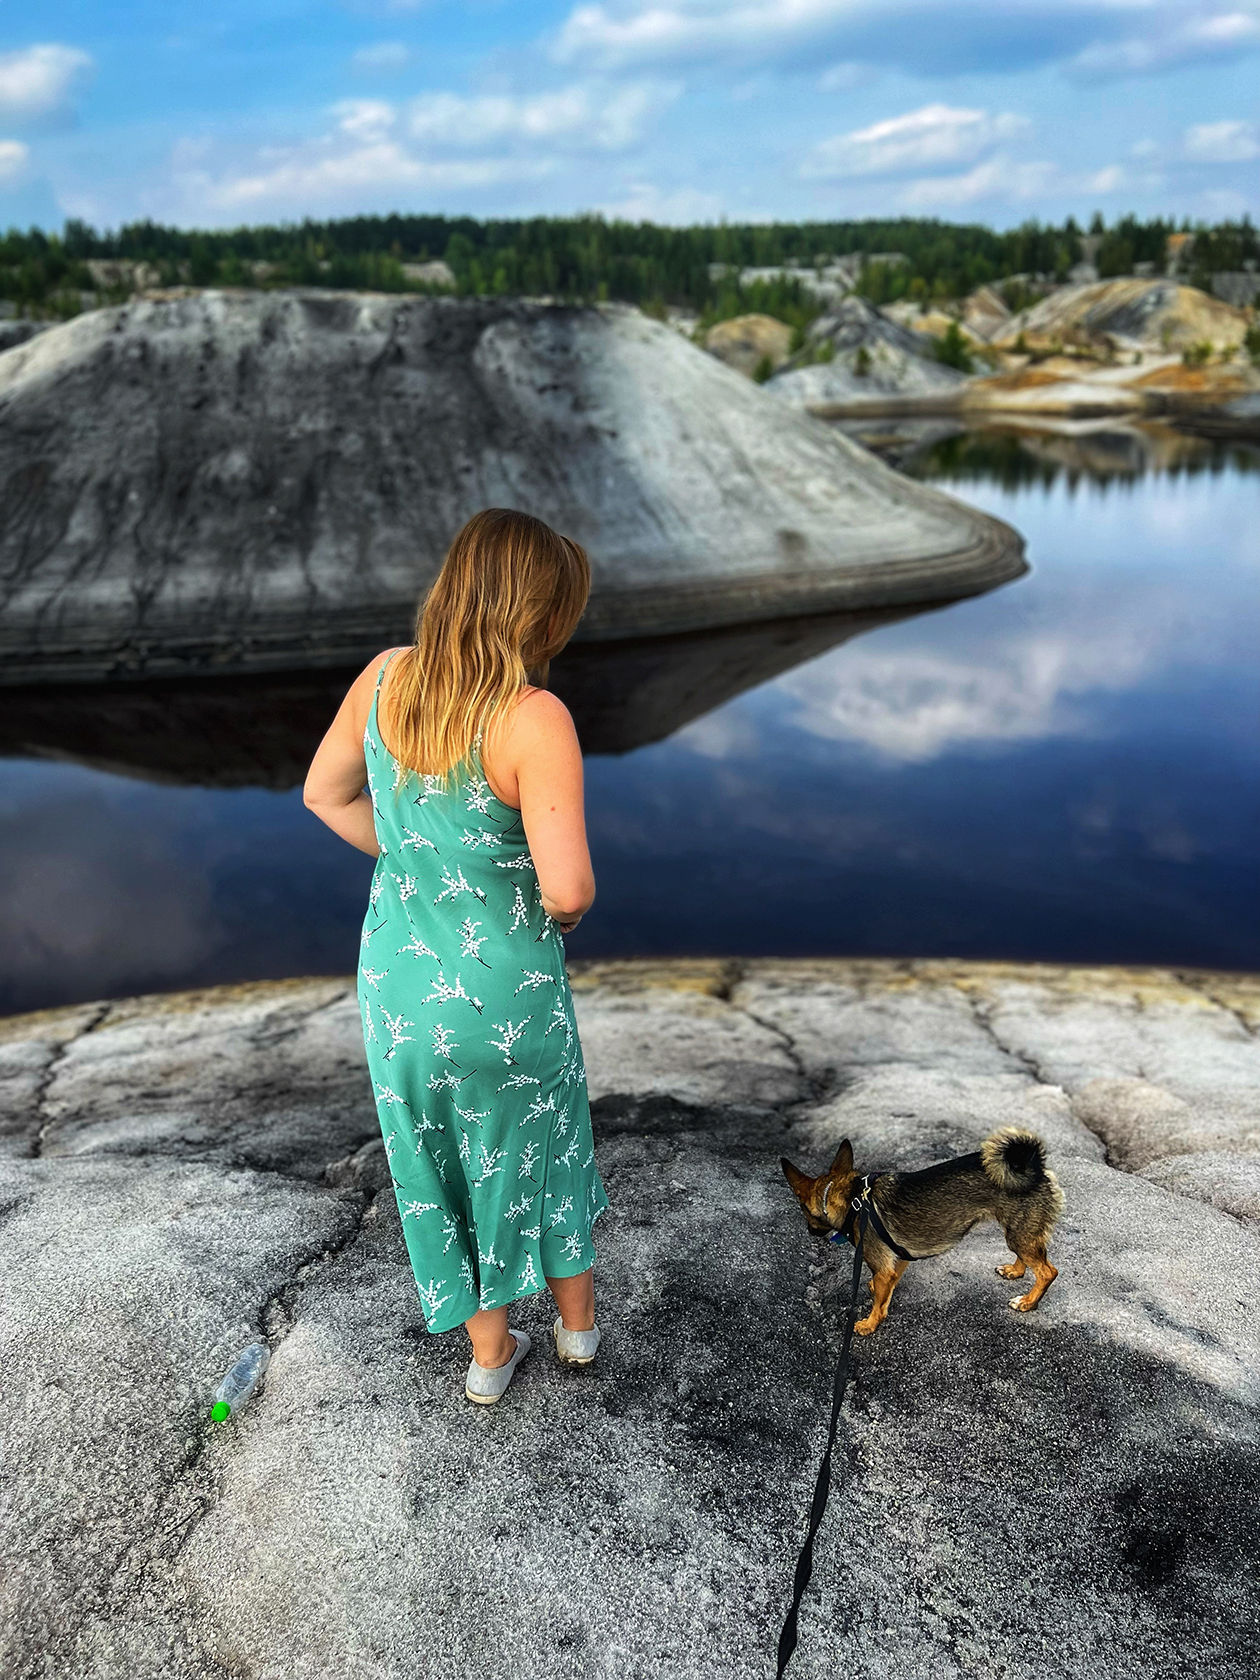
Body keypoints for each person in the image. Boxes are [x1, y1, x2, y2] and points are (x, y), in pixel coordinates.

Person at [303, 508, 608, 1404]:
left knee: (437, 1165)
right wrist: (517, 899)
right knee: (542, 1145)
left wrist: (416, 860)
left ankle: (487, 1358)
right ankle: (579, 1331)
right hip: (504, 989)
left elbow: (324, 795)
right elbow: (569, 891)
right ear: (538, 615)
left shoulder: (383, 680)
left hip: (399, 990)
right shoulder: (532, 716)